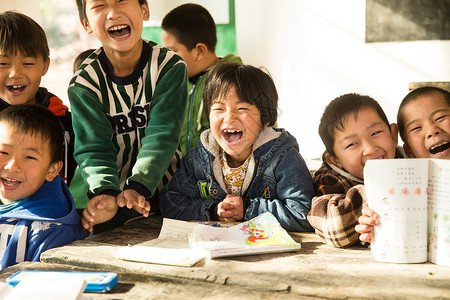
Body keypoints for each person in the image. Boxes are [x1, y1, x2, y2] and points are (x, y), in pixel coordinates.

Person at [71, 0, 188, 232]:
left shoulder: (169, 67)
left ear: (144, 10)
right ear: (86, 23)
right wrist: (105, 193)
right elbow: (93, 148)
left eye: (122, 0)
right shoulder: (84, 84)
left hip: (168, 193)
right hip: (111, 200)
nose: (113, 13)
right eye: (99, 6)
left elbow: (162, 135)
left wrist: (139, 186)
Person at [159, 63, 314, 232]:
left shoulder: (283, 156)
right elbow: (171, 202)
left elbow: (302, 213)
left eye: (242, 109)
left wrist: (248, 209)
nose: (229, 117)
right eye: (219, 108)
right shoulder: (198, 158)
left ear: (266, 119)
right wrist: (212, 210)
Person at [307, 93, 404, 247]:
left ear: (393, 135)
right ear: (334, 160)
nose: (370, 148)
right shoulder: (330, 178)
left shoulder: (409, 161)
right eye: (352, 144)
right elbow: (333, 229)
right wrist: (377, 194)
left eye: (376, 133)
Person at [356, 86, 450, 243]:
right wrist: (374, 228)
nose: (431, 131)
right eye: (416, 128)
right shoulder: (406, 192)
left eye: (440, 118)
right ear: (409, 151)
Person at [0, 104, 85, 270]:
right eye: (3, 152)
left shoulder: (53, 231)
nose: (12, 166)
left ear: (52, 170)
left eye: (29, 157)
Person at [0, 11, 76, 185]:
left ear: (45, 66)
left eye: (27, 63)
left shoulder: (62, 121)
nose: (15, 74)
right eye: (3, 63)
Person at [161, 3, 243, 156]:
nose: (167, 59)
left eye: (172, 52)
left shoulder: (238, 83)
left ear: (199, 51)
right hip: (187, 176)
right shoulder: (178, 83)